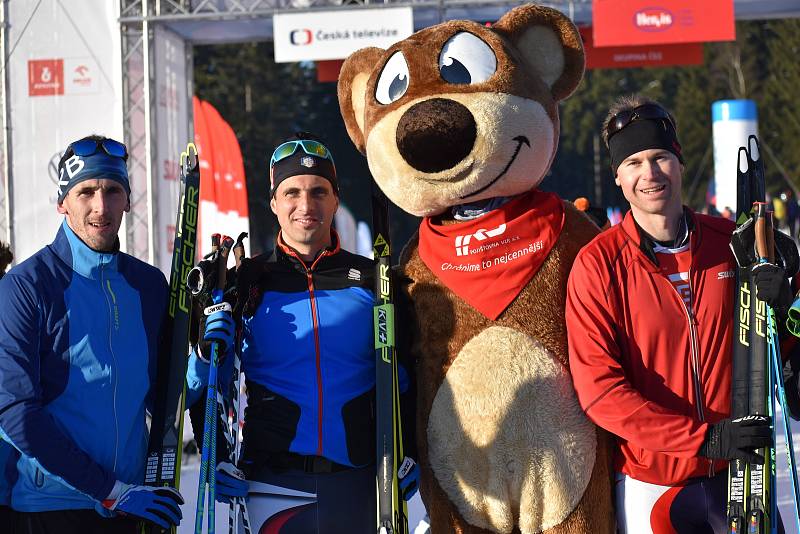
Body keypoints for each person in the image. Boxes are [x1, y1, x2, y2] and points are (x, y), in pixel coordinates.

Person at [565, 96, 793, 533]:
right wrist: (703, 439)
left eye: (660, 157)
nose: (649, 174)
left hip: (744, 476)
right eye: (633, 162)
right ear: (618, 176)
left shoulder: (734, 242)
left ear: (680, 162)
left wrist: (784, 302)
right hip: (655, 486)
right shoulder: (599, 266)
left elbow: (785, 335)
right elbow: (601, 394)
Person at [186, 132, 417, 533]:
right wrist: (216, 456)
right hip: (272, 485)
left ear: (335, 199)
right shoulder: (247, 283)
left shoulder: (372, 279)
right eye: (292, 192)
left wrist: (413, 448)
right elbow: (207, 382)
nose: (305, 205)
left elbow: (406, 379)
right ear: (274, 202)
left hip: (360, 482)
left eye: (318, 191)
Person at [0, 135, 183, 533]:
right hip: (49, 509)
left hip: (130, 507)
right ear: (63, 202)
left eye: (113, 191)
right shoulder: (26, 286)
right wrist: (108, 489)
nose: (101, 207)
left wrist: (203, 360)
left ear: (128, 200)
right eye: (86, 192)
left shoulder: (148, 285)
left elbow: (164, 399)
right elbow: (14, 413)